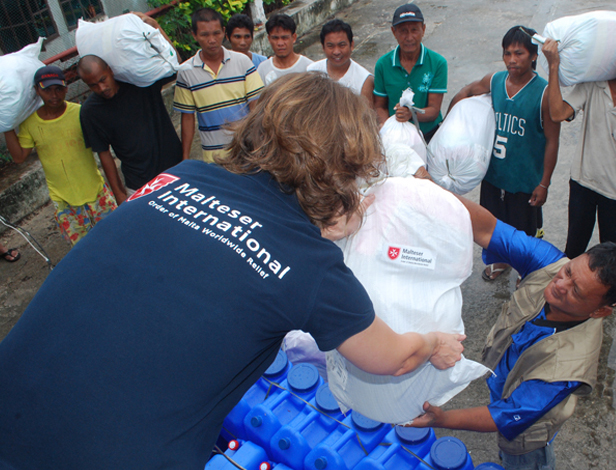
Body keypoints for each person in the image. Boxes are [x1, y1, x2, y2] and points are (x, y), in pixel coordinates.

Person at [0, 73, 465, 469]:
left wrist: (320, 224)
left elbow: (229, 243)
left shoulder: (179, 176)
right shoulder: (309, 265)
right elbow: (390, 358)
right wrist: (433, 342)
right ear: (346, 169)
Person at [409, 194, 616, 470]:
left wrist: (441, 419)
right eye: (568, 271)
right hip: (506, 381)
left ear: (600, 311)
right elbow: (488, 229)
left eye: (576, 291)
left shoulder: (564, 370)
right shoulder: (549, 264)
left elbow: (503, 417)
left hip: (527, 432)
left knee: (522, 457)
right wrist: (430, 190)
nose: (560, 284)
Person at [449, 26, 560, 283]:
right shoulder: (495, 80)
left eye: (519, 53)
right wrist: (451, 122)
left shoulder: (543, 93)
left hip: (524, 178)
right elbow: (467, 91)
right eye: (507, 53)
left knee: (523, 230)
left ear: (534, 56)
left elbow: (553, 141)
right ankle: (500, 261)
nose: (512, 59)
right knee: (493, 223)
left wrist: (544, 183)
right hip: (494, 173)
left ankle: (525, 269)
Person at [542, 40, 616, 259]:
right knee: (574, 248)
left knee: (614, 258)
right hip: (582, 182)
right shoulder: (593, 86)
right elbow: (558, 114)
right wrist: (554, 66)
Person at [3, 66, 117, 246]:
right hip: (64, 201)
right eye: (47, 90)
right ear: (36, 91)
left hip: (96, 192)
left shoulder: (80, 113)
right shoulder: (30, 123)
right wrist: (6, 125)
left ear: (66, 88)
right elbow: (19, 158)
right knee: (82, 250)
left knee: (116, 238)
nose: (53, 95)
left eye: (58, 89)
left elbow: (104, 146)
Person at [77, 13, 181, 204]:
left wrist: (156, 27)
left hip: (175, 168)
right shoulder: (90, 111)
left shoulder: (140, 82)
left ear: (110, 69)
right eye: (93, 85)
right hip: (138, 182)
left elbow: (174, 66)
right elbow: (104, 154)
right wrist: (119, 193)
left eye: (102, 80)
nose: (102, 88)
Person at [174, 8, 264, 163]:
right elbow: (187, 118)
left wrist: (258, 145)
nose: (212, 40)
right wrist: (185, 158)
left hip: (246, 151)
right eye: (204, 35)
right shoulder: (186, 72)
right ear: (194, 35)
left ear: (223, 32)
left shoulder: (242, 62)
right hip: (212, 156)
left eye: (216, 33)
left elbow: (255, 106)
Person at [373, 3, 447, 142]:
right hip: (396, 136)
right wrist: (385, 127)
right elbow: (380, 105)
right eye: (403, 31)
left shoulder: (437, 63)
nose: (409, 37)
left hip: (429, 135)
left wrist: (411, 114)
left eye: (414, 30)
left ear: (423, 29)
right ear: (394, 32)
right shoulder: (383, 64)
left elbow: (433, 110)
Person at [307, 19, 374, 104]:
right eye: (330, 46)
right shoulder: (312, 71)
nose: (336, 52)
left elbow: (367, 115)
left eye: (342, 45)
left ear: (351, 45)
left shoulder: (364, 80)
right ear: (323, 47)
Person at [256, 14, 312, 85]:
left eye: (284, 38)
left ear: (294, 37)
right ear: (269, 39)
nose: (280, 43)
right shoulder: (263, 69)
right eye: (275, 38)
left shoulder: (308, 67)